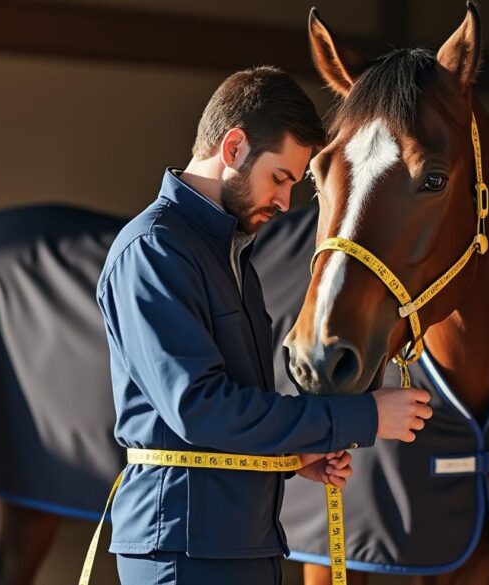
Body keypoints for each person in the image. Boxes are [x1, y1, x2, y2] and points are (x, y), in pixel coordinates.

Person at [96, 66, 433, 584]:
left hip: (242, 542)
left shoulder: (231, 257)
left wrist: (289, 455)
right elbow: (199, 408)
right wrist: (360, 417)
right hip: (182, 552)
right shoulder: (154, 251)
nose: (284, 202)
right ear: (233, 148)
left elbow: (231, 412)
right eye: (279, 178)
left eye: (294, 185)